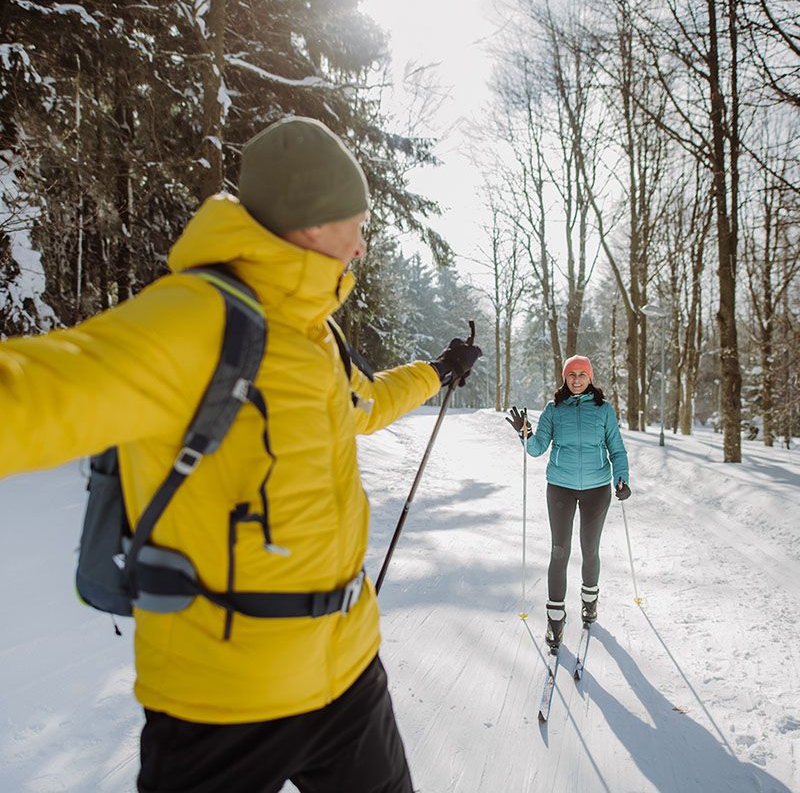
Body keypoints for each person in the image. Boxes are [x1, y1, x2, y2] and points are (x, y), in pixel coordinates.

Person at [0, 116, 481, 793]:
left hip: (346, 676)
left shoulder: (315, 333)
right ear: (312, 222)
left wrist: (437, 372)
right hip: (221, 704)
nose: (362, 246)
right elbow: (32, 393)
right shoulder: (191, 319)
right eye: (357, 225)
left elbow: (367, 404)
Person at [506, 355, 629, 649]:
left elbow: (617, 449)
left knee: (590, 549)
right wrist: (525, 433)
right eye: (571, 374)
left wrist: (622, 478)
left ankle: (589, 601)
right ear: (564, 378)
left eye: (581, 374)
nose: (576, 379)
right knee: (559, 551)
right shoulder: (554, 410)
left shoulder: (603, 410)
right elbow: (536, 449)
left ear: (590, 378)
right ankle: (555, 619)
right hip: (560, 487)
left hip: (597, 489)